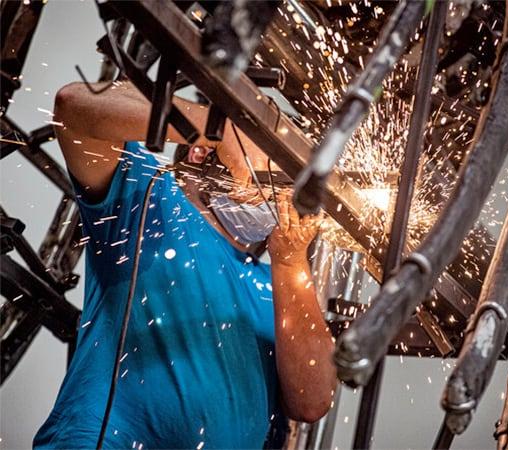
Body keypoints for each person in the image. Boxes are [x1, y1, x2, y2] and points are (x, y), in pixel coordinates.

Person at [33, 80, 337, 449]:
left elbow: (312, 401)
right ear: (199, 153)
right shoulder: (148, 196)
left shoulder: (278, 284)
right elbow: (74, 106)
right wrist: (219, 128)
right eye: (271, 167)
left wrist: (290, 264)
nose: (282, 191)